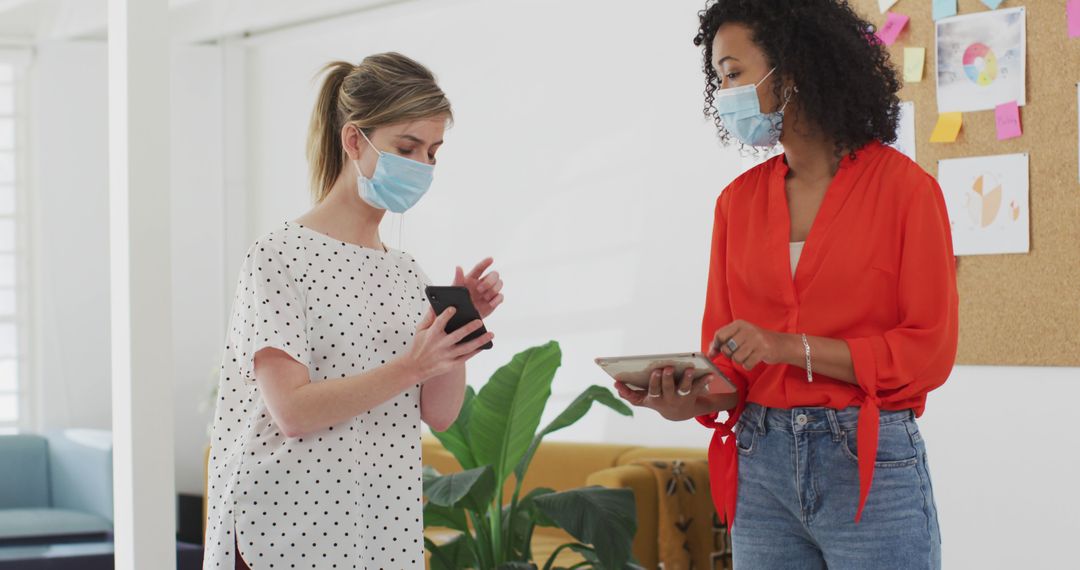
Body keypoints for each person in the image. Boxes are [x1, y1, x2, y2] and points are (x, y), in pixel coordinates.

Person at [613, 1, 958, 568]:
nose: (724, 92)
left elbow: (928, 353)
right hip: (761, 465)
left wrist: (786, 346)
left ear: (792, 72)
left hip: (870, 469)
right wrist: (682, 398)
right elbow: (729, 368)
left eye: (734, 72)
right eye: (718, 79)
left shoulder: (907, 192)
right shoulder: (735, 204)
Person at [203, 52, 503, 569]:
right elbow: (292, 412)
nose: (422, 166)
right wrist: (412, 365)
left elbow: (440, 412)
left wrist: (459, 333)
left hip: (377, 534)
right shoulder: (278, 257)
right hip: (281, 532)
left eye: (433, 152)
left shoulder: (409, 272)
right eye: (407, 147)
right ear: (353, 140)